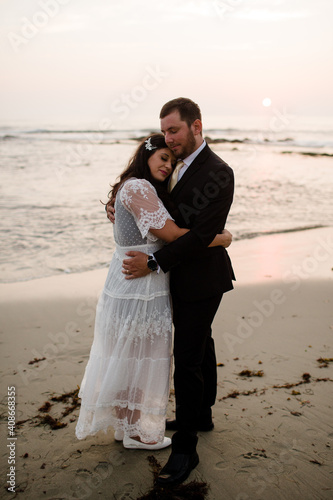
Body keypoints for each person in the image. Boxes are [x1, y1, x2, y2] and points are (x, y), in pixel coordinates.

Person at [76, 133, 231, 451]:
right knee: (140, 358)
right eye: (162, 157)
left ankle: (128, 427)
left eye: (171, 161)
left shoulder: (136, 187)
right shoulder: (138, 187)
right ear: (145, 156)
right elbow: (173, 234)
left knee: (129, 357)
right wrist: (222, 238)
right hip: (140, 288)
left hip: (131, 284)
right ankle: (137, 434)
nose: (167, 165)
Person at [118, 98, 235, 486]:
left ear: (196, 126)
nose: (168, 138)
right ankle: (201, 415)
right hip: (177, 276)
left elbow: (201, 236)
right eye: (164, 131)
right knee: (202, 342)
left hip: (203, 278)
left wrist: (154, 263)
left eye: (174, 130)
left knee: (185, 358)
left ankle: (186, 447)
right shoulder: (169, 165)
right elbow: (152, 207)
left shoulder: (220, 172)